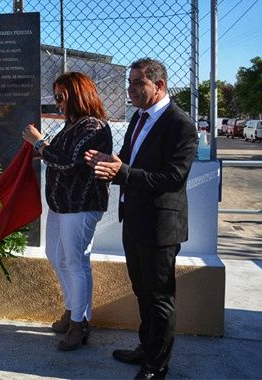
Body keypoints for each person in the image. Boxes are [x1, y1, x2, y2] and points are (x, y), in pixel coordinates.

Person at [84, 58, 197, 379]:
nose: (130, 90)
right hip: (133, 219)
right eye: (129, 83)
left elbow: (173, 178)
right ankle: (146, 348)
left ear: (159, 85)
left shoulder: (180, 124)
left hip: (161, 226)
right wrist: (110, 161)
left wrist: (123, 172)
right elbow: (130, 163)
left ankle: (156, 365)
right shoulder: (138, 118)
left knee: (159, 297)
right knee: (142, 290)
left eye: (137, 83)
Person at [22, 71, 112, 351]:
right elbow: (58, 155)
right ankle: (75, 310)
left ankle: (79, 323)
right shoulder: (72, 126)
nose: (58, 103)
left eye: (61, 97)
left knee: (76, 262)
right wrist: (41, 150)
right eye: (56, 97)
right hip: (62, 206)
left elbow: (71, 162)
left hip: (81, 205)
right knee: (56, 255)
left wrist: (39, 143)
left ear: (76, 95)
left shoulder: (93, 127)